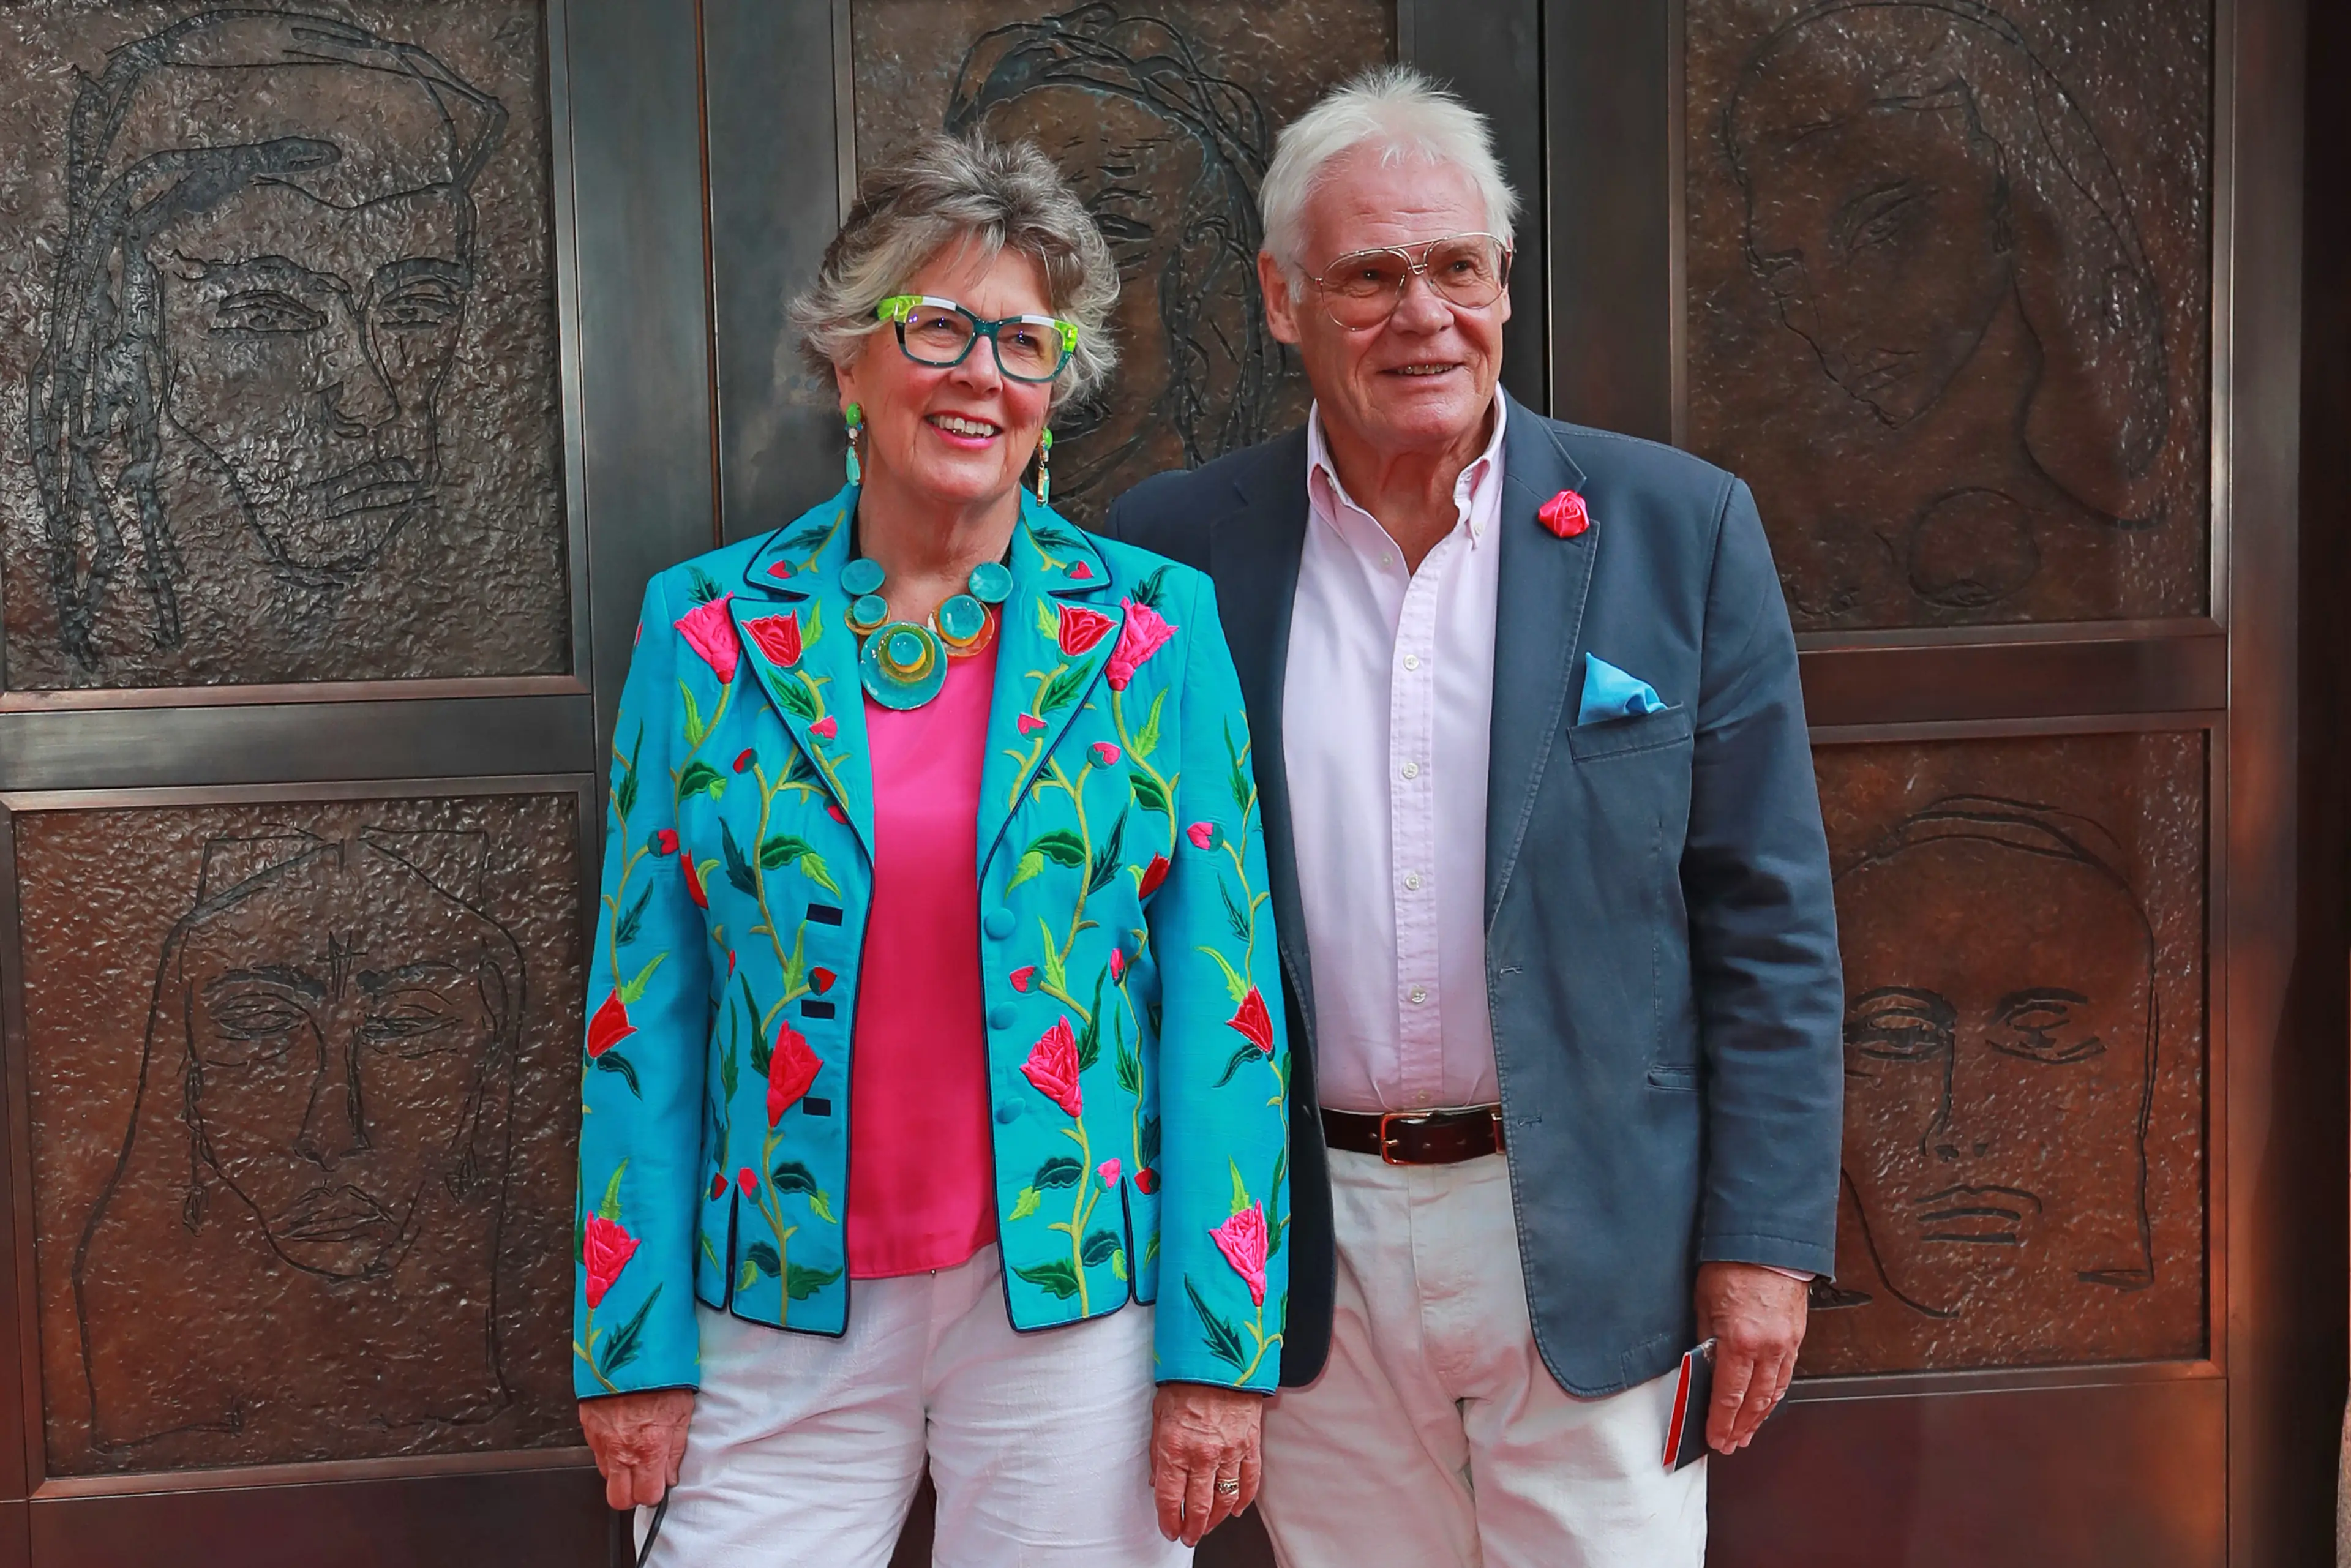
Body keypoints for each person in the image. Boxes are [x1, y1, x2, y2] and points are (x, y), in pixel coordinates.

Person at [1103, 67, 1844, 1566]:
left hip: (1591, 1229)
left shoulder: (1676, 527)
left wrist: (1763, 1242)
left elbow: (1769, 918)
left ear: (1505, 282)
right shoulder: (1169, 553)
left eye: (1456, 266)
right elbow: (1122, 929)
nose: (1420, 313)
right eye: (1369, 273)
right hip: (1310, 1244)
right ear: (1280, 297)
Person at [571, 133, 1289, 1567]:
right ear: (849, 359)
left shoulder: (1154, 629)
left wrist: (1220, 1350)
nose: (981, 374)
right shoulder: (705, 630)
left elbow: (1229, 1004)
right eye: (939, 326)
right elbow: (643, 1004)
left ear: (1054, 390)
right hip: (773, 1294)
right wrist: (628, 1337)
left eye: (1024, 342)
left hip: (1070, 1305)